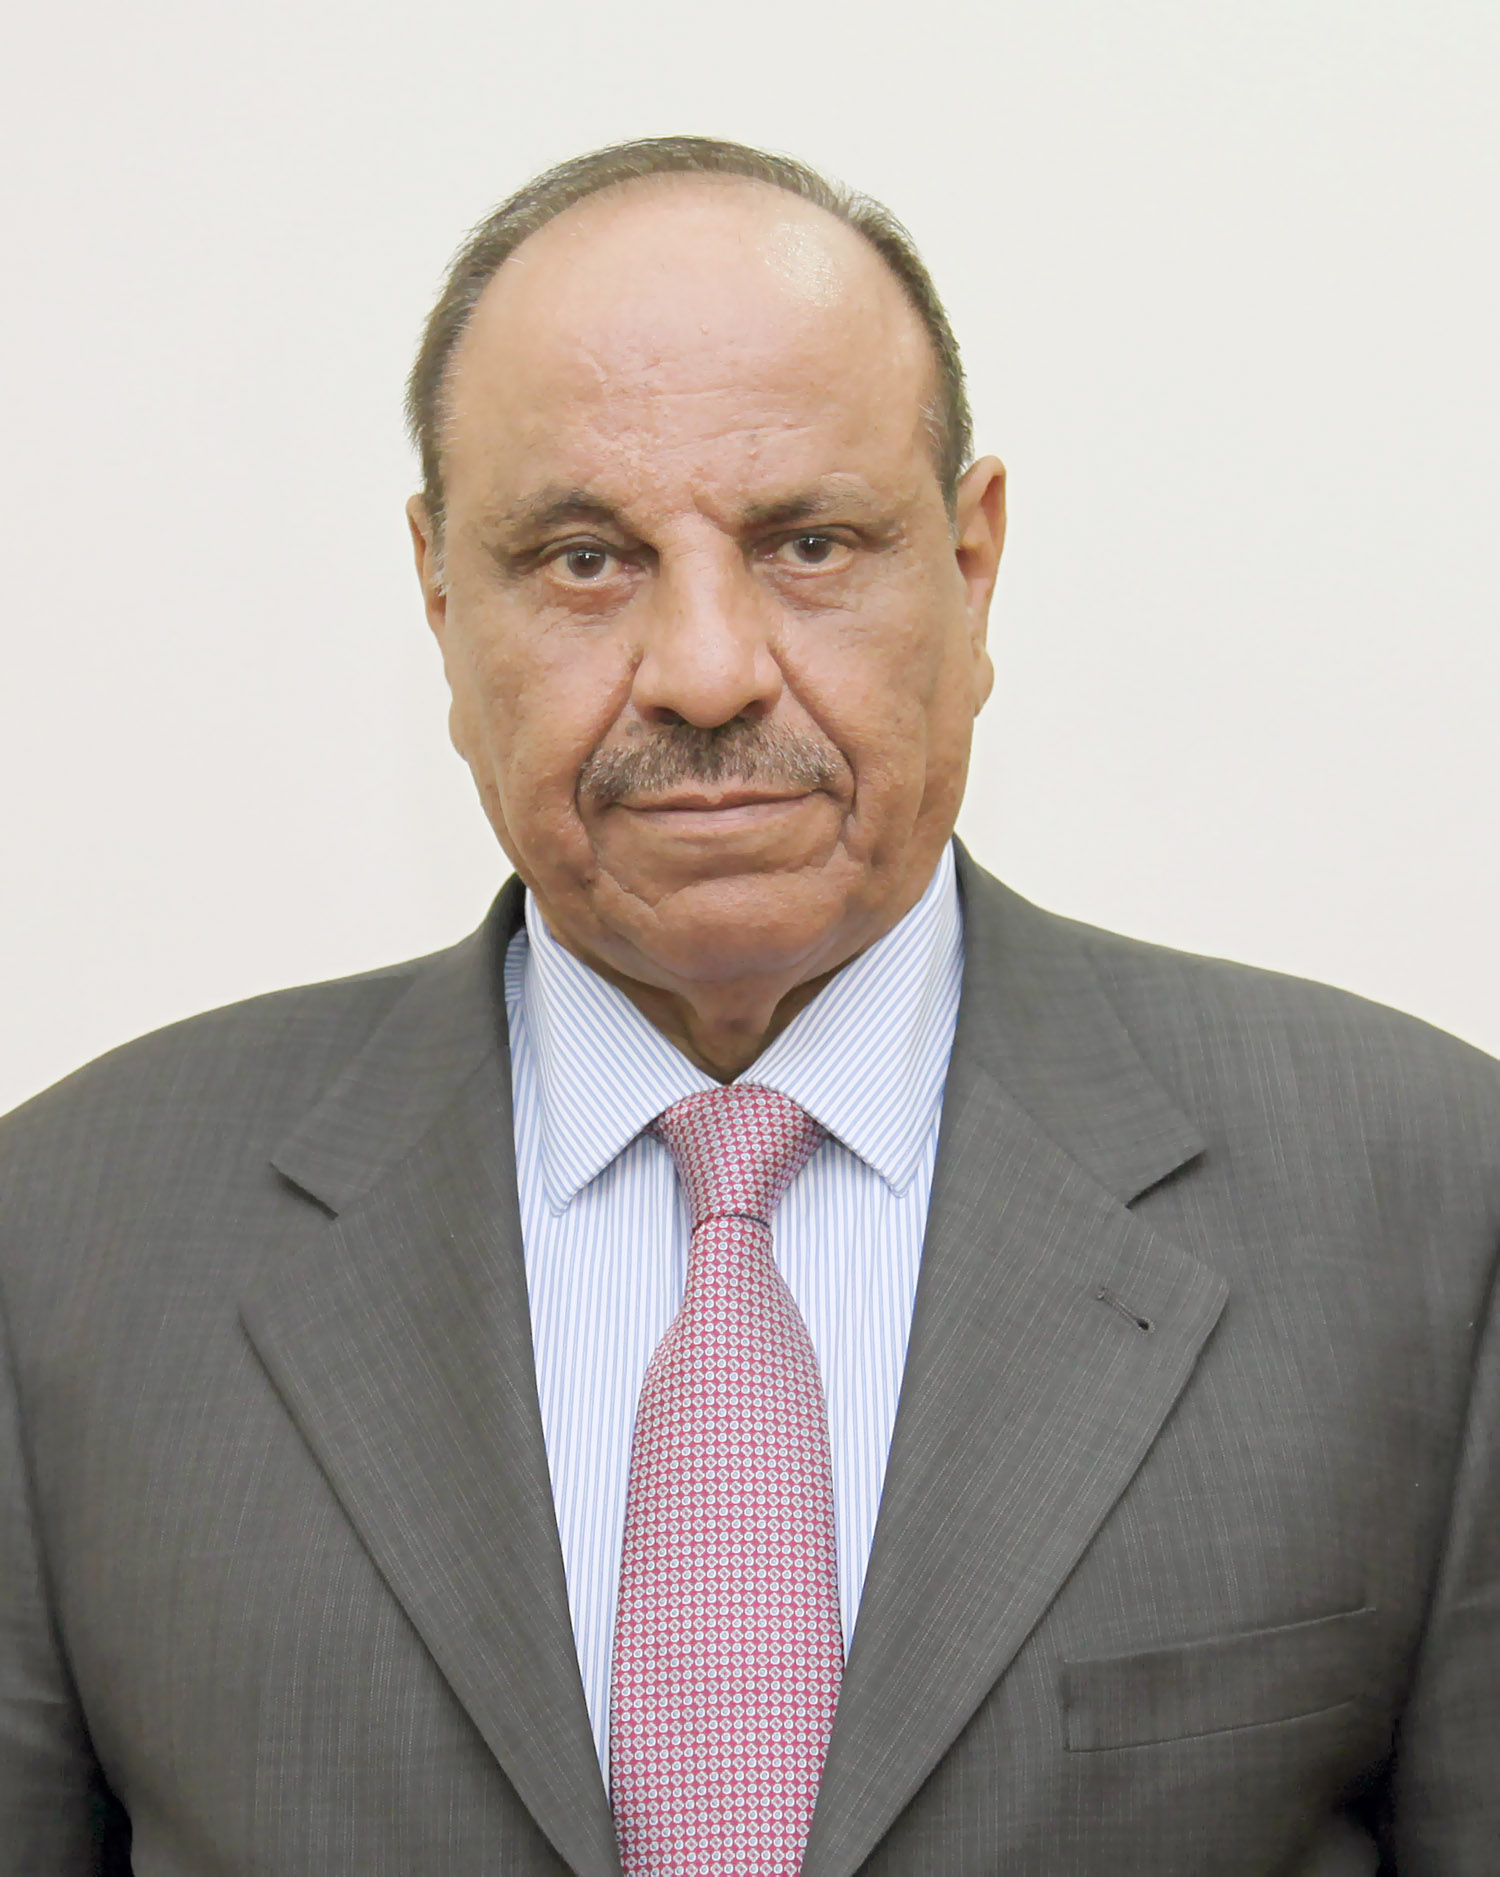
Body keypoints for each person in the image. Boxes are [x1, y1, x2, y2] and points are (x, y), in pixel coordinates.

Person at [1, 135, 1495, 1877]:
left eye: (809, 542)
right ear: (439, 594)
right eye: (584, 557)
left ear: (973, 565)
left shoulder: (1428, 1201)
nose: (706, 672)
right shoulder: (66, 1242)